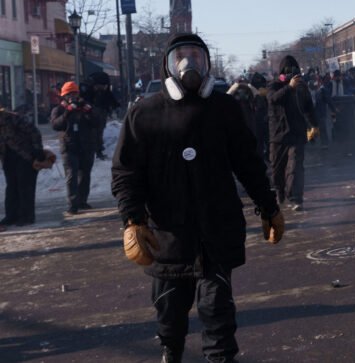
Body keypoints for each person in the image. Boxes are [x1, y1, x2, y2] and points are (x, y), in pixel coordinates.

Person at [111, 33, 284, 363]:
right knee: (170, 313)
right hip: (167, 236)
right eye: (182, 56)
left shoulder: (224, 109)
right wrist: (133, 219)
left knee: (217, 310)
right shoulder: (144, 114)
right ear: (169, 64)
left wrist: (267, 204)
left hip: (216, 232)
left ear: (207, 64)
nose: (189, 63)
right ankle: (170, 351)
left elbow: (247, 162)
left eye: (197, 55)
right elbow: (125, 172)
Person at [266, 55, 318, 211]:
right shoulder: (273, 85)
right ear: (282, 73)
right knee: (277, 170)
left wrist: (314, 126)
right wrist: (289, 87)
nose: (291, 75)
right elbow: (273, 99)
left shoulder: (301, 87)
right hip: (278, 135)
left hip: (297, 134)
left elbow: (308, 107)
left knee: (295, 168)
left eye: (294, 72)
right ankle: (280, 191)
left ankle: (296, 199)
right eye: (288, 72)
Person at [49, 81, 103, 214]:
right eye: (69, 94)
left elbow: (98, 122)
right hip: (69, 147)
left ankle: (82, 201)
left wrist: (89, 111)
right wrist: (66, 113)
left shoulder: (86, 106)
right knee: (71, 175)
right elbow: (55, 125)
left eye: (74, 94)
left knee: (85, 175)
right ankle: (73, 204)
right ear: (64, 96)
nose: (72, 97)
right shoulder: (59, 109)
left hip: (86, 146)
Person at [1, 104, 56, 228]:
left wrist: (38, 150)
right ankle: (11, 216)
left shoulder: (11, 117)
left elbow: (33, 131)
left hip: (25, 156)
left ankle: (27, 216)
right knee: (11, 188)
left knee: (25, 187)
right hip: (8, 158)